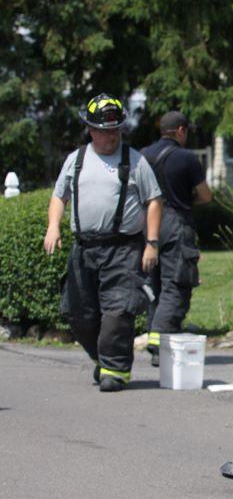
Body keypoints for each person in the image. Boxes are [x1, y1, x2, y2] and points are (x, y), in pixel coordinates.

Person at [44, 93, 162, 392]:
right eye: (104, 130)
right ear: (91, 129)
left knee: (118, 311)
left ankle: (116, 371)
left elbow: (154, 202)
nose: (110, 136)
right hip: (84, 248)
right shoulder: (77, 159)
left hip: (122, 248)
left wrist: (151, 242)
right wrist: (53, 227)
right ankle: (105, 360)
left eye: (115, 130)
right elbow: (59, 196)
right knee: (79, 315)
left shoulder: (135, 161)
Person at [141, 111, 212, 366]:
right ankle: (161, 341)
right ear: (181, 131)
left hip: (148, 224)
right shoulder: (187, 158)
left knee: (154, 284)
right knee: (176, 284)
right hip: (176, 223)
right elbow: (205, 196)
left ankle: (155, 339)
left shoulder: (143, 156)